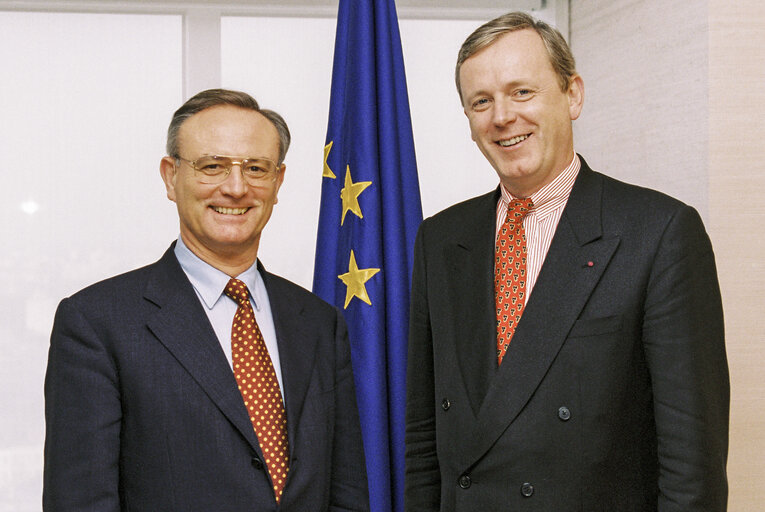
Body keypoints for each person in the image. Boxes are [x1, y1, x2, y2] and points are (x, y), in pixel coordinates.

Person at [405, 12, 729, 512]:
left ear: (572, 94)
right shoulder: (440, 239)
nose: (502, 117)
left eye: (522, 92)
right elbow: (424, 437)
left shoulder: (658, 233)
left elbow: (692, 468)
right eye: (481, 102)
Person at [44, 89, 369, 511]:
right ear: (170, 176)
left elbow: (346, 495)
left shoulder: (319, 323)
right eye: (212, 167)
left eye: (256, 168)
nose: (236, 188)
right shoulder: (96, 323)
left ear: (277, 182)